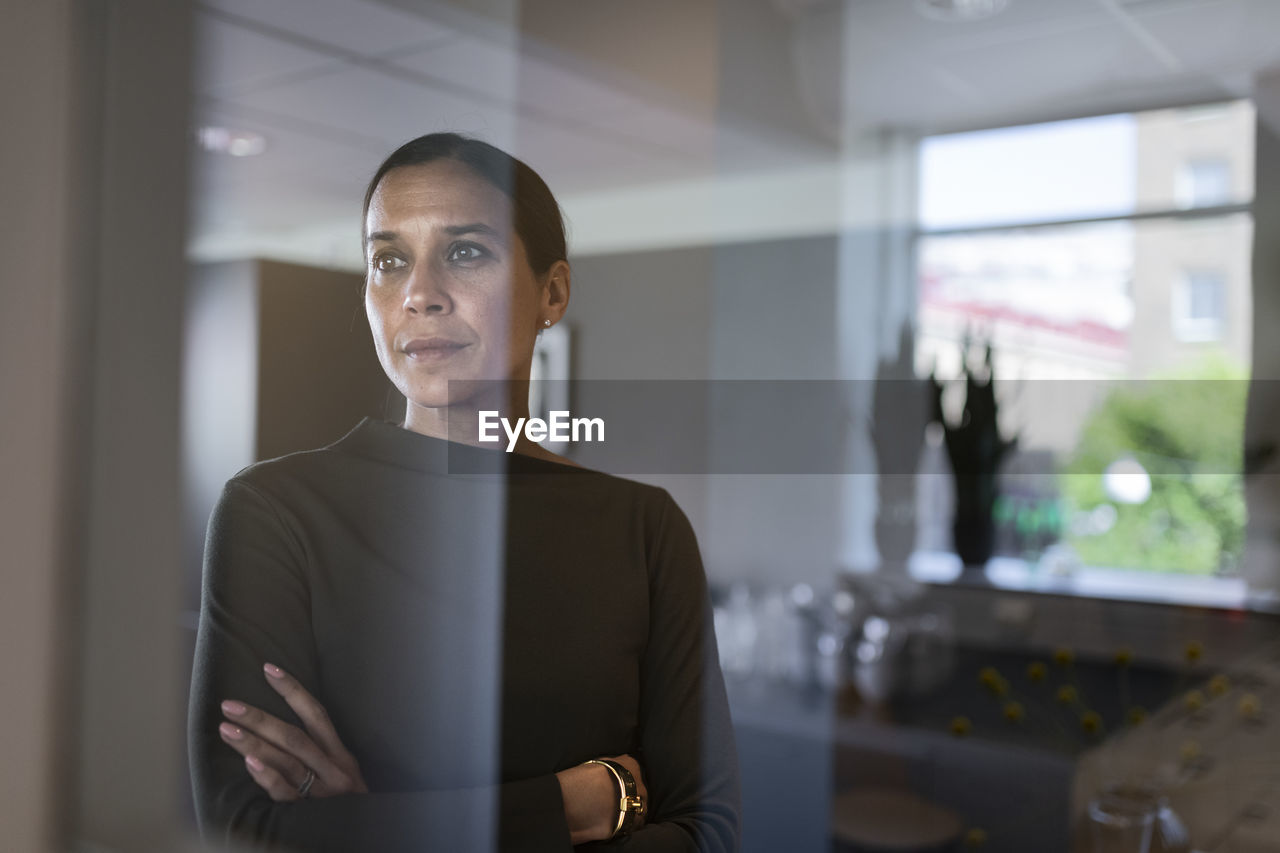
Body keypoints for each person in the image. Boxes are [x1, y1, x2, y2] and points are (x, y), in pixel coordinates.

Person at [187, 133, 742, 851]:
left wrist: (372, 822)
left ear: (552, 292)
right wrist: (570, 807)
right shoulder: (276, 511)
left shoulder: (643, 529)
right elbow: (249, 830)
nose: (418, 293)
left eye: (465, 251)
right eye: (389, 260)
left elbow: (710, 833)